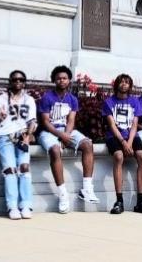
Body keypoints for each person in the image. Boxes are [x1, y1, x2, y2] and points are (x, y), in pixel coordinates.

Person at [37, 65, 98, 214]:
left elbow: (71, 120)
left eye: (64, 78)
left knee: (88, 145)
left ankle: (87, 188)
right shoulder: (47, 98)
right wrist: (61, 136)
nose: (62, 81)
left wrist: (66, 135)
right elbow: (45, 122)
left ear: (69, 80)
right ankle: (63, 194)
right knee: (55, 150)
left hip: (66, 130)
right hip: (48, 132)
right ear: (54, 80)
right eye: (58, 78)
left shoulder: (72, 99)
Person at [0, 70, 37, 220]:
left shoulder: (29, 100)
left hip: (22, 137)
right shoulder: (1, 99)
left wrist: (28, 136)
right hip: (5, 138)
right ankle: (12, 207)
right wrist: (1, 118)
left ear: (24, 82)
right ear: (10, 81)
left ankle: (26, 205)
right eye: (15, 80)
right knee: (10, 170)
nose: (18, 82)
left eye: (21, 80)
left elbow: (32, 121)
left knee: (24, 169)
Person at [103, 74, 142, 214]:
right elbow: (112, 125)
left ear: (130, 86)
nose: (124, 84)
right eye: (121, 82)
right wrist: (124, 143)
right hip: (115, 136)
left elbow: (135, 125)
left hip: (131, 136)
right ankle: (119, 201)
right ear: (116, 84)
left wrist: (129, 142)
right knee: (118, 156)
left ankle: (140, 202)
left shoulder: (135, 101)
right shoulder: (109, 102)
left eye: (127, 82)